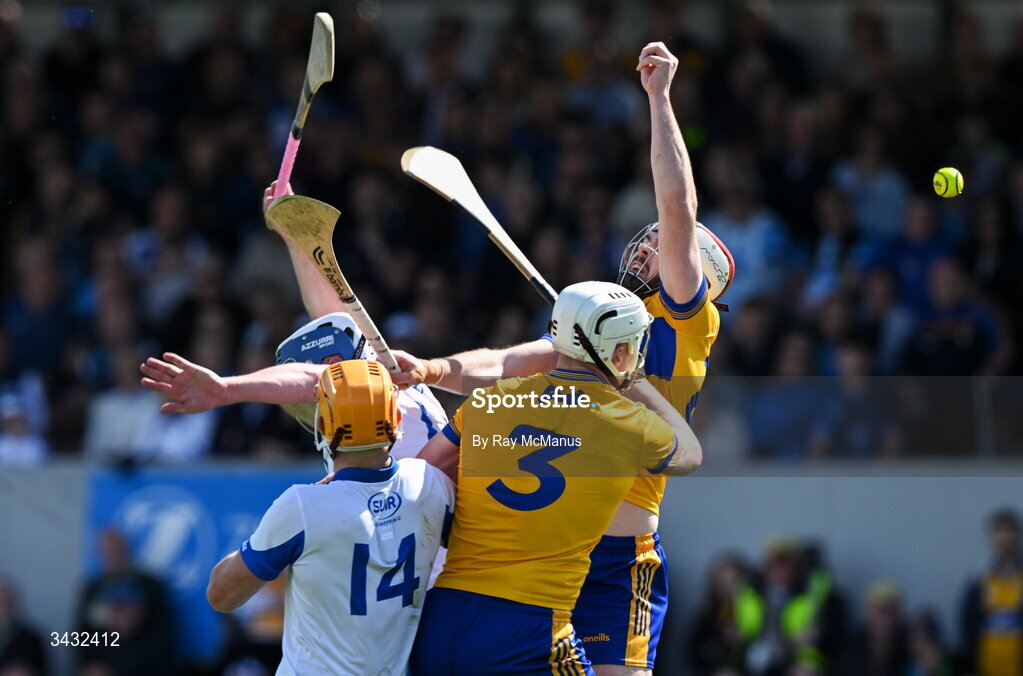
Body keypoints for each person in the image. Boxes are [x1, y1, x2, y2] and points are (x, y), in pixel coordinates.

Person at [395, 42, 724, 676]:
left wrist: (659, 102)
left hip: (616, 562)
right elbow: (506, 360)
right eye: (649, 240)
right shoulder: (598, 325)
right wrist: (435, 370)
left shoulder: (684, 325)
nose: (648, 245)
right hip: (542, 552)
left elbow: (679, 210)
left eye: (662, 245)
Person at [409, 280, 702, 674]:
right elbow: (690, 455)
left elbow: (421, 470)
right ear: (620, 352)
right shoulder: (630, 424)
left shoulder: (490, 401)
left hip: (441, 617)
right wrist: (641, 383)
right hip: (530, 629)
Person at [206, 360, 454, 675]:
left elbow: (221, 595)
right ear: (397, 419)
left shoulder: (302, 506)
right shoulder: (431, 483)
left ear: (323, 426)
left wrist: (274, 532)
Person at [960, 507, 1023, 676]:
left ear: (1018, 535)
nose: (1004, 536)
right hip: (986, 667)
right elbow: (968, 623)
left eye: (1010, 529)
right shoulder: (978, 576)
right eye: (998, 530)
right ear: (990, 537)